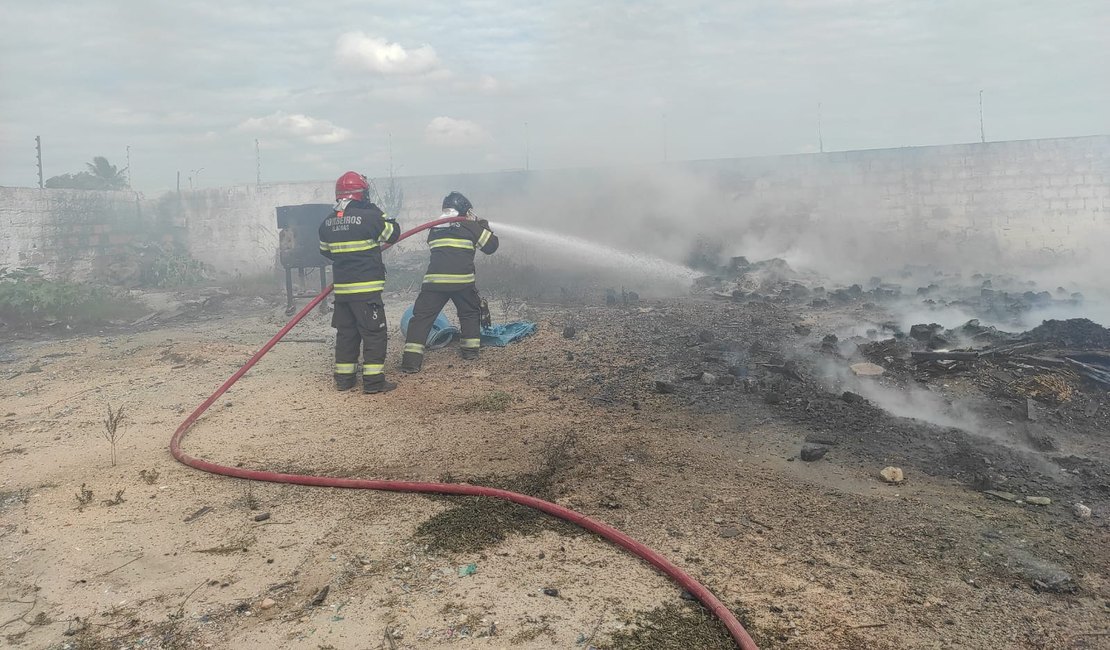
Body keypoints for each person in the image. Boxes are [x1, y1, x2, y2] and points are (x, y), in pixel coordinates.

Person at [318, 171, 400, 394]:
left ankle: (344, 380)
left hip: (343, 291)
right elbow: (393, 233)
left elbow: (326, 251)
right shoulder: (370, 217)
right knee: (374, 334)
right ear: (361, 194)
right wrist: (378, 212)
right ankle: (374, 383)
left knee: (347, 334)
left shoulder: (327, 222)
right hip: (366, 291)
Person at [401, 192, 498, 373]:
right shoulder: (471, 227)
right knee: (469, 313)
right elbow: (491, 246)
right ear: (463, 210)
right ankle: (470, 351)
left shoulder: (435, 228)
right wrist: (482, 225)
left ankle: (410, 362)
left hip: (434, 282)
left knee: (421, 318)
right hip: (462, 282)